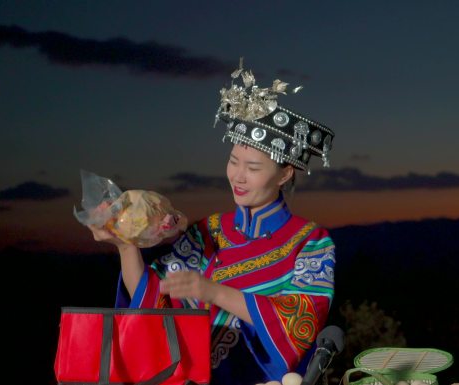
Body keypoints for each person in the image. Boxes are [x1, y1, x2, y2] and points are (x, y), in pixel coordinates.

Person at [89, 61, 336, 385]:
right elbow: (154, 301)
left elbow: (301, 321)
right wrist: (125, 244)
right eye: (233, 162)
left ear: (285, 173)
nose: (238, 176)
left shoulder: (311, 242)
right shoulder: (208, 231)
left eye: (253, 167)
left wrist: (214, 292)